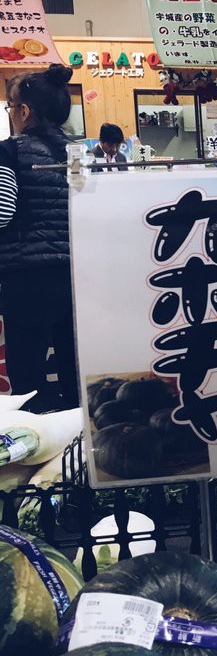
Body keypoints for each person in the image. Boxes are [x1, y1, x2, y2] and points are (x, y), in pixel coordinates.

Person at [0, 64, 78, 412]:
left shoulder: (8, 152)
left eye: (10, 106)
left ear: (24, 111)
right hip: (80, 276)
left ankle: (36, 452)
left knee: (29, 381)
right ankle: (82, 453)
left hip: (28, 277)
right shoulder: (81, 154)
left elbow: (2, 212)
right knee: (77, 371)